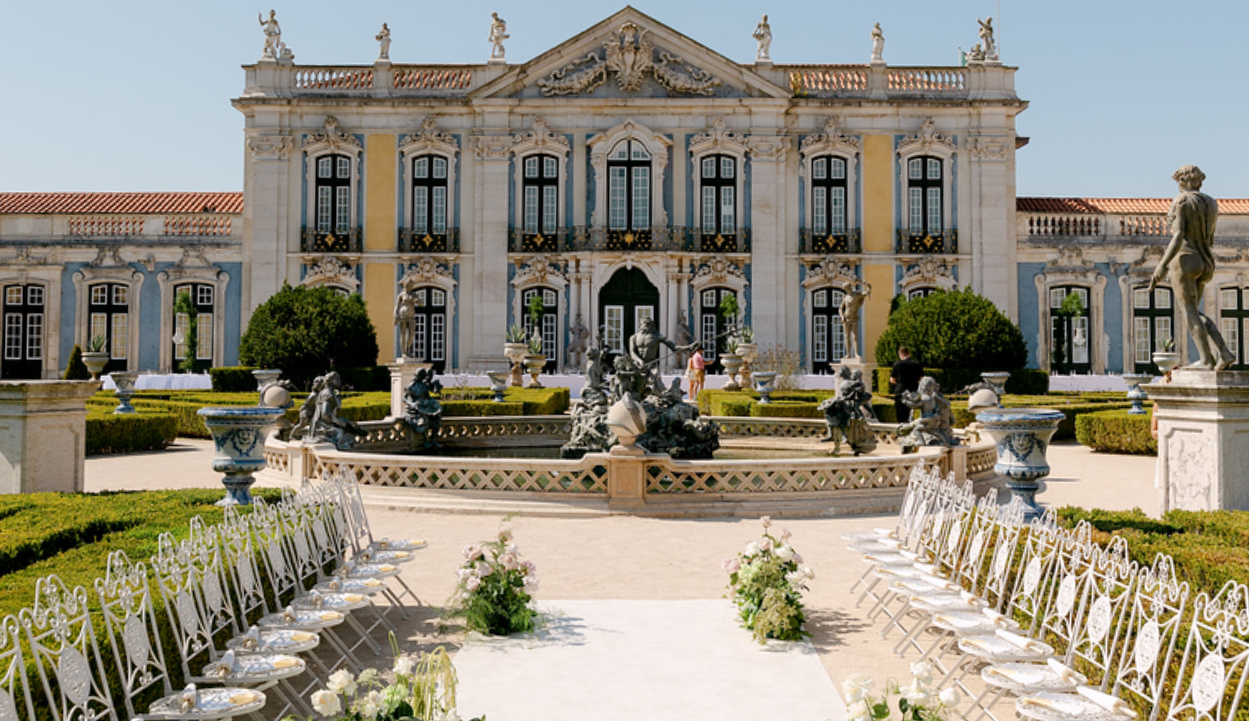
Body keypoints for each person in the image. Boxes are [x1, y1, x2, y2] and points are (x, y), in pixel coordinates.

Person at [1149, 165, 1234, 370]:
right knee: (1195, 310)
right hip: (1205, 261)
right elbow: (1210, 237)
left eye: (1179, 181)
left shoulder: (1181, 201)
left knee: (1189, 312)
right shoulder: (1211, 203)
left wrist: (1161, 265)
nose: (1178, 186)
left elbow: (1178, 236)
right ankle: (1224, 351)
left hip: (1185, 259)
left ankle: (1206, 360)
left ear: (1186, 181)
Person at [890, 347, 923, 422]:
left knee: (900, 414)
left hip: (900, 391)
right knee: (909, 414)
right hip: (912, 391)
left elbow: (892, 380)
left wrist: (899, 383)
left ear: (900, 354)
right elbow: (920, 379)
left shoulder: (897, 364)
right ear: (909, 354)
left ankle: (901, 430)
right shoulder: (916, 364)